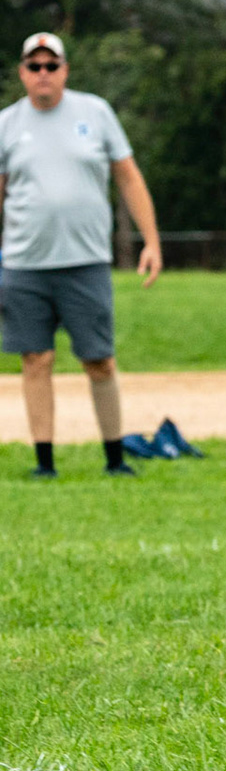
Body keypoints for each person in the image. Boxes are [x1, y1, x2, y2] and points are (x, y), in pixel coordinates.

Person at [0, 31, 163, 479]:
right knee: (35, 360)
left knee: (99, 360)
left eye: (51, 65)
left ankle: (115, 458)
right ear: (22, 73)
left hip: (85, 261)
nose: (43, 74)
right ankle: (44, 463)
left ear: (65, 70)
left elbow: (128, 176)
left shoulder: (95, 112)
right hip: (24, 263)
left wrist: (151, 240)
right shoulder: (7, 124)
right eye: (34, 66)